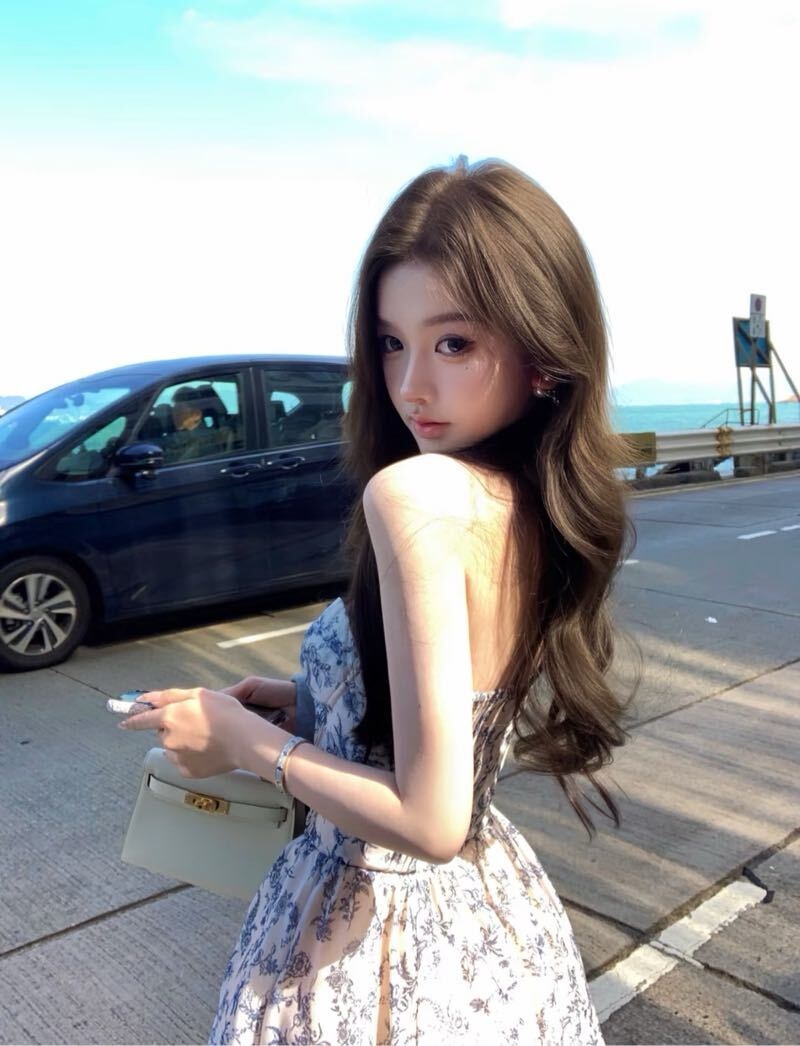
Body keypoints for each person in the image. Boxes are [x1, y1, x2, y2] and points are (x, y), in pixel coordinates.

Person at [122, 157, 631, 1045]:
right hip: (489, 922)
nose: (410, 386)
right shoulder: (520, 497)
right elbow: (463, 703)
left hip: (378, 928)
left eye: (454, 343)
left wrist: (246, 742)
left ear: (544, 355)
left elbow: (430, 820)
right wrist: (314, 701)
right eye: (391, 343)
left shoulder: (416, 494)